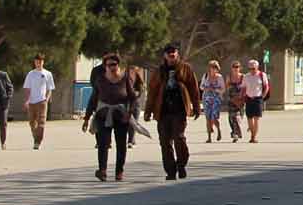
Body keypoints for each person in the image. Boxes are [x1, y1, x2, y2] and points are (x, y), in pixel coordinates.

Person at [83, 53, 139, 182]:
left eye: (114, 64)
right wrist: (86, 118)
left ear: (118, 65)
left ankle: (119, 171)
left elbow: (133, 98)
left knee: (121, 145)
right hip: (103, 115)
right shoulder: (100, 79)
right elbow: (93, 99)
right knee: (103, 144)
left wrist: (129, 113)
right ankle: (102, 170)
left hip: (121, 116)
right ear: (105, 66)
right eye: (109, 65)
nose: (112, 67)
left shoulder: (125, 78)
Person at [148, 43, 199, 180]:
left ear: (177, 54)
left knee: (179, 138)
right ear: (165, 55)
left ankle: (181, 165)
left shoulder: (185, 68)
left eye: (174, 53)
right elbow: (152, 91)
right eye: (169, 53)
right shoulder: (159, 71)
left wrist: (196, 107)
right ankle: (170, 171)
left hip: (179, 110)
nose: (171, 55)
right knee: (165, 142)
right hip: (163, 111)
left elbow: (193, 88)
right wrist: (148, 110)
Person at [22, 54, 55, 149]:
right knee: (32, 123)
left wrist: (46, 99)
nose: (38, 64)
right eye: (37, 62)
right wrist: (27, 100)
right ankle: (36, 138)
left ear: (43, 62)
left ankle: (37, 142)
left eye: (40, 62)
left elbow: (50, 89)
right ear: (34, 62)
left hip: (42, 102)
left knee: (41, 122)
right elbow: (27, 88)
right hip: (32, 102)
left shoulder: (47, 74)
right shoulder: (30, 74)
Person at [240, 58, 269, 142]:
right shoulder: (246, 76)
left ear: (257, 67)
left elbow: (266, 86)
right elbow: (243, 88)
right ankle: (252, 133)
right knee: (249, 118)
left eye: (253, 68)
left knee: (256, 119)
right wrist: (241, 97)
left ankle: (253, 137)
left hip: (258, 98)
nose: (252, 70)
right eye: (250, 68)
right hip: (249, 98)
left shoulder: (262, 75)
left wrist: (262, 97)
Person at [202, 61, 226, 142]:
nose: (213, 69)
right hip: (206, 99)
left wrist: (215, 90)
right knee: (208, 118)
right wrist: (206, 88)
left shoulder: (219, 77)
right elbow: (201, 86)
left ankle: (218, 130)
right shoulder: (205, 76)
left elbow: (223, 89)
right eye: (212, 67)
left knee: (214, 117)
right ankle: (209, 137)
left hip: (216, 99)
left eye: (215, 67)